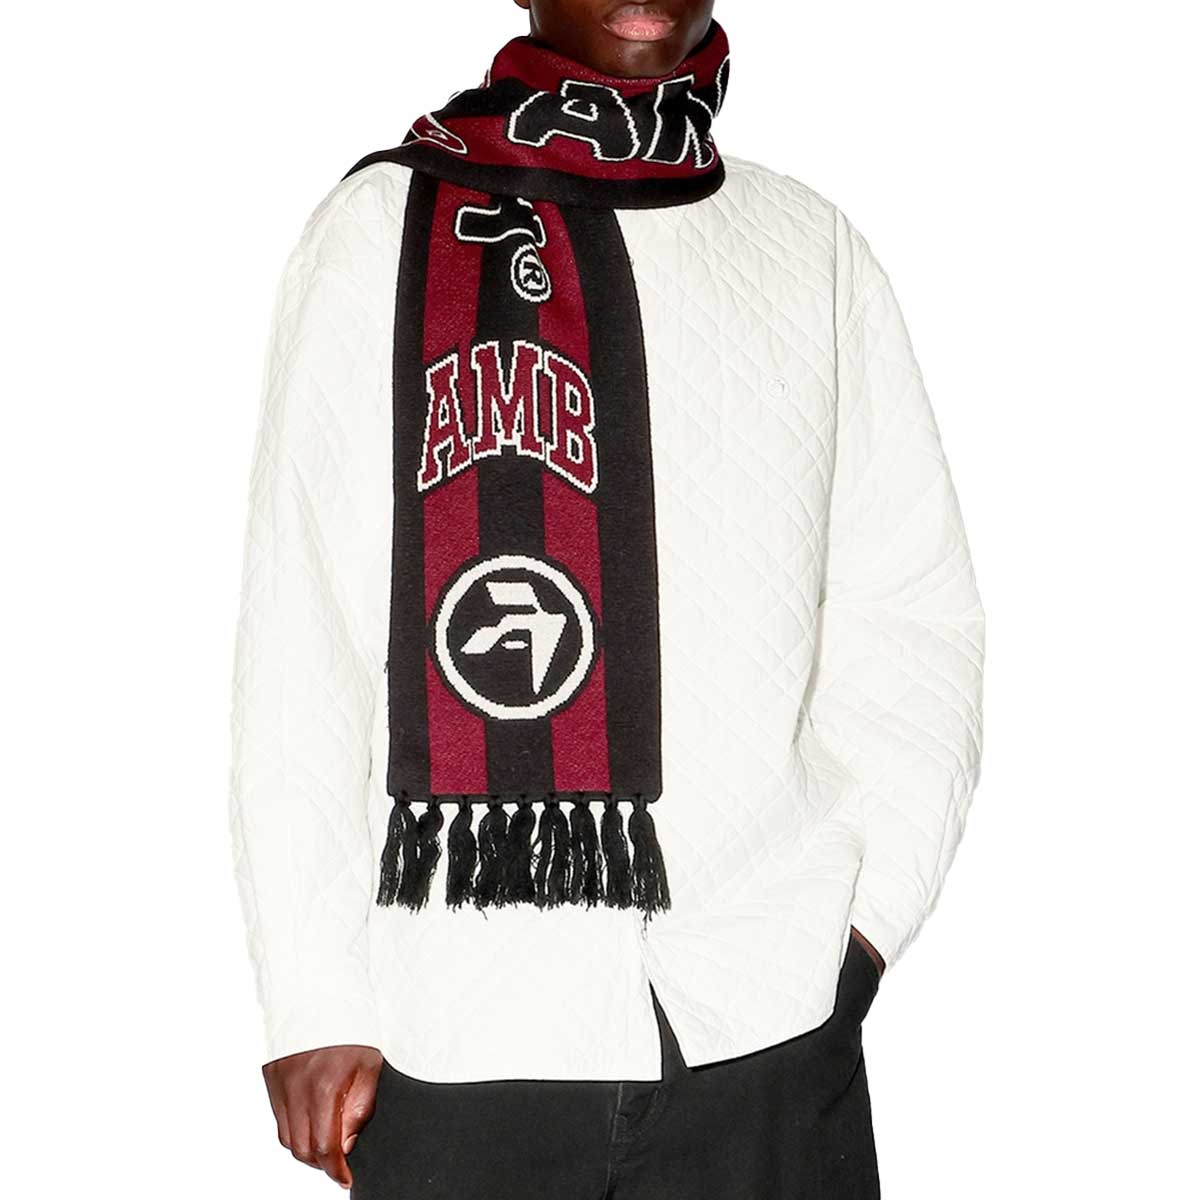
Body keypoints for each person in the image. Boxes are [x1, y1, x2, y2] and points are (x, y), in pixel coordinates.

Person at [229, 1, 985, 1196]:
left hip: (768, 1018)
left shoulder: (809, 245)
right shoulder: (379, 230)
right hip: (458, 1031)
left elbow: (908, 612)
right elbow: (303, 631)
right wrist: (313, 996)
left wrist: (860, 928)